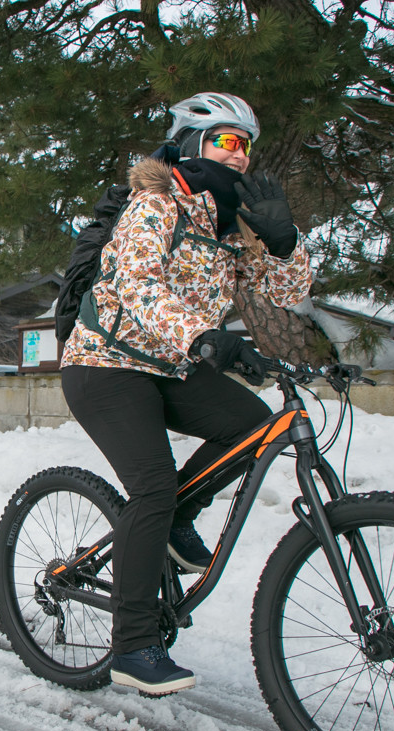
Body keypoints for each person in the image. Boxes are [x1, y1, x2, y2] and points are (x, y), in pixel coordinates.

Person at [60, 92, 313, 696]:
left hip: (169, 364)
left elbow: (284, 289)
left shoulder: (231, 223)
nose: (240, 155)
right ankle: (133, 645)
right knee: (152, 485)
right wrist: (205, 338)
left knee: (255, 426)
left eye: (246, 145)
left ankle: (177, 521)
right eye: (227, 140)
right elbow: (142, 290)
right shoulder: (154, 203)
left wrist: (284, 241)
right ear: (193, 142)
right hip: (106, 363)